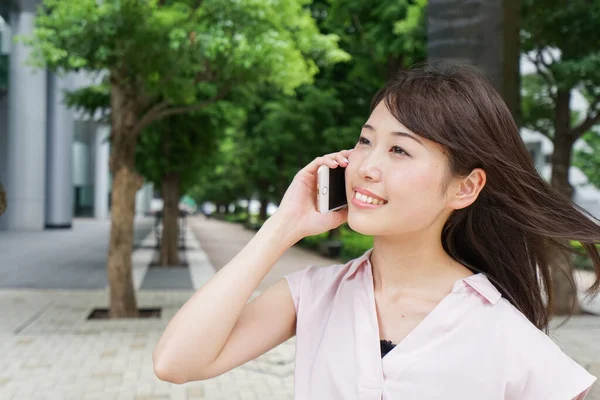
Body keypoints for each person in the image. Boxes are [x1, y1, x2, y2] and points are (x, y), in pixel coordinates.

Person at [152, 64, 600, 399]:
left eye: (400, 150)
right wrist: (281, 227)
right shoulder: (314, 295)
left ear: (465, 187)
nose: (366, 166)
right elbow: (176, 362)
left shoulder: (501, 331)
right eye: (366, 141)